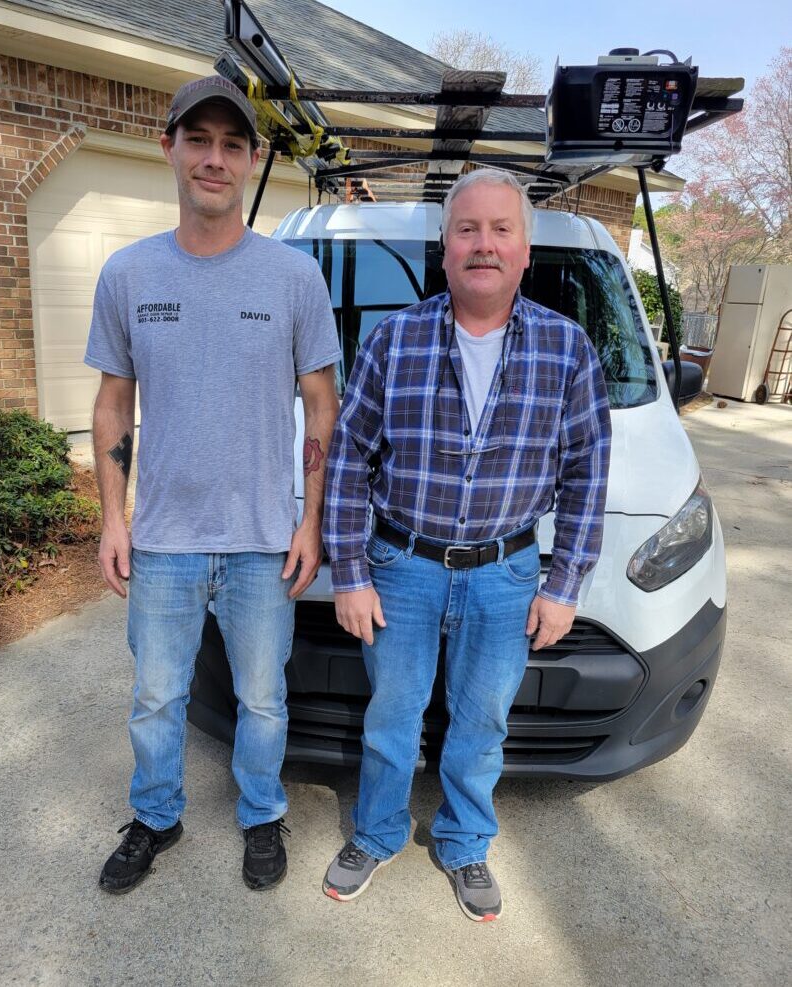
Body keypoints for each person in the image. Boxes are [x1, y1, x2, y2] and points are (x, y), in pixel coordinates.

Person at [321, 168, 611, 921]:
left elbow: (586, 473)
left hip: (505, 572)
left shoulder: (567, 348)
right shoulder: (395, 338)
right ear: (444, 248)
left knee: (483, 720)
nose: (484, 244)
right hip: (402, 567)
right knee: (393, 712)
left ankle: (464, 841)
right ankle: (377, 832)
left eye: (500, 230)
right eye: (467, 229)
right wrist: (348, 571)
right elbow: (350, 457)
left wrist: (565, 582)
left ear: (524, 250)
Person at [85, 76, 341, 895]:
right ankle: (155, 815)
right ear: (169, 147)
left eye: (233, 144)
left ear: (253, 158)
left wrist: (310, 521)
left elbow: (321, 404)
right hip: (162, 538)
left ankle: (262, 812)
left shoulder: (293, 277)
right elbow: (113, 401)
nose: (215, 158)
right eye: (199, 139)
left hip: (264, 535)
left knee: (263, 699)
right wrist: (111, 518)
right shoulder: (127, 274)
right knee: (156, 697)